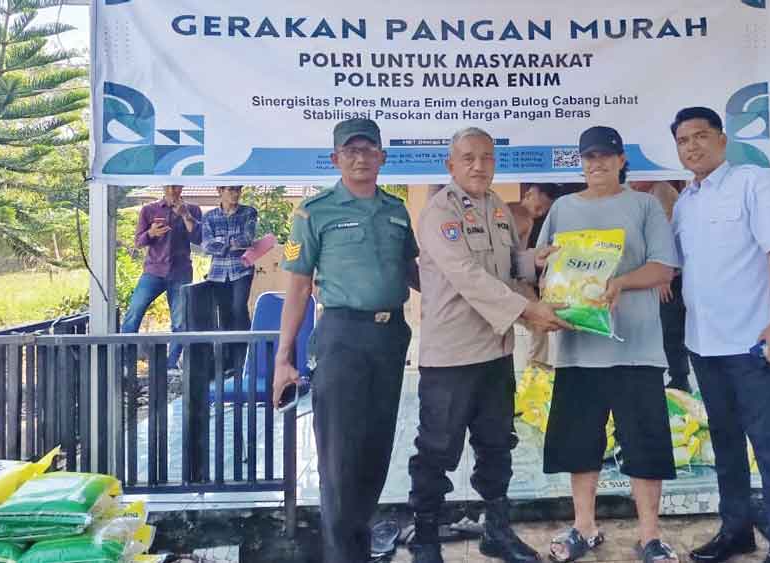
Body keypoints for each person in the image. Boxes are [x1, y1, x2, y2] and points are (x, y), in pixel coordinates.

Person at [408, 127, 569, 563]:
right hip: (452, 356)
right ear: (451, 165)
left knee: (497, 445)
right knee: (437, 450)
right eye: (469, 158)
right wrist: (528, 310)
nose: (479, 166)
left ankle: (497, 532)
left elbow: (507, 264)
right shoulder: (440, 212)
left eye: (487, 157)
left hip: (495, 352)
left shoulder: (497, 206)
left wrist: (533, 260)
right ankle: (425, 538)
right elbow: (468, 276)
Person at [271, 118, 419, 563]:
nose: (360, 158)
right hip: (342, 338)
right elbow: (298, 287)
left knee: (376, 447)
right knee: (339, 455)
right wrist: (283, 358)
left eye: (368, 150)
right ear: (336, 159)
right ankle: (341, 555)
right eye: (351, 151)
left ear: (382, 157)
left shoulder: (397, 211)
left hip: (390, 337)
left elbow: (415, 273)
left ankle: (358, 543)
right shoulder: (313, 212)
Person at [538, 126, 680, 563]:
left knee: (645, 443)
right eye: (589, 157)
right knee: (580, 444)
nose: (596, 163)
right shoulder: (562, 208)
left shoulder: (644, 206)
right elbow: (544, 268)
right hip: (579, 349)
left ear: (621, 161)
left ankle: (650, 536)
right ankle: (584, 527)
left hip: (636, 348)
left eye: (604, 155)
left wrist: (619, 282)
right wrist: (549, 294)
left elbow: (664, 268)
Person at [669, 107, 770, 563]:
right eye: (683, 141)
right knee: (725, 444)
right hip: (703, 344)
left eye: (700, 136)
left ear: (722, 140)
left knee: (768, 446)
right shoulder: (684, 203)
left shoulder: (753, 183)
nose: (692, 146)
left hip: (751, 343)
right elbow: (677, 267)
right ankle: (736, 531)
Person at [121, 185, 203, 371]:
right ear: (164, 187)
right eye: (169, 186)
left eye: (176, 186)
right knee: (134, 313)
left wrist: (185, 215)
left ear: (182, 187)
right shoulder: (149, 210)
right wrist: (151, 233)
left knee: (180, 321)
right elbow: (138, 242)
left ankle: (171, 365)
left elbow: (199, 239)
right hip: (153, 271)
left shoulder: (193, 209)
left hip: (180, 271)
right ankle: (125, 362)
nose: (173, 190)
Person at [630, 180, 691, 393]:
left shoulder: (661, 191)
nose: (632, 181)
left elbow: (668, 235)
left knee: (670, 328)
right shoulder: (634, 193)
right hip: (646, 276)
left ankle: (679, 378)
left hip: (667, 277)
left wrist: (666, 275)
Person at [510, 183, 568, 368]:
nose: (539, 213)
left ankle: (537, 364)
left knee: (539, 320)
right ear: (528, 194)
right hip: (510, 277)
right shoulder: (521, 216)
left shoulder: (511, 210)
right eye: (538, 207)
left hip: (514, 274)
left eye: (543, 210)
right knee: (540, 320)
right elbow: (513, 254)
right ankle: (537, 365)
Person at [201, 185, 258, 373]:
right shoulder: (209, 216)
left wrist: (221, 242)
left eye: (238, 190)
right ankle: (228, 361)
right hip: (218, 273)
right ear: (220, 191)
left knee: (239, 308)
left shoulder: (248, 212)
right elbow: (206, 245)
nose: (235, 193)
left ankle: (244, 357)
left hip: (241, 269)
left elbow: (248, 239)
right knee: (224, 314)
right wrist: (231, 243)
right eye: (231, 190)